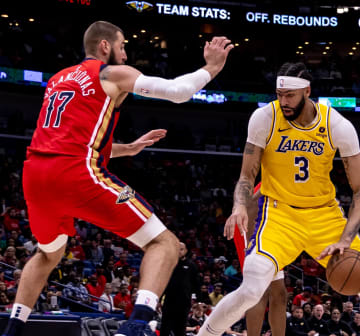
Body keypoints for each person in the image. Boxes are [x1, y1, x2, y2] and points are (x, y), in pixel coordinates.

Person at [1, 20, 233, 336]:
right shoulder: (109, 73)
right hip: (75, 176)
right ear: (106, 46)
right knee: (165, 243)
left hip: (36, 175)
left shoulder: (58, 79)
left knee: (48, 253)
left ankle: (12, 329)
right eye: (123, 46)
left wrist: (130, 148)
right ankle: (137, 324)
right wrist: (211, 68)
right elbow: (178, 92)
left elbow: (70, 143)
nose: (125, 55)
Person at [198, 62, 360, 336]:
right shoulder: (264, 118)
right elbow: (247, 176)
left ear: (307, 91)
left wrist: (345, 239)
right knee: (251, 290)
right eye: (279, 94)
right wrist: (239, 205)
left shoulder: (336, 125)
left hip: (325, 217)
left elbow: (358, 191)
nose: (283, 101)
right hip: (278, 216)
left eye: (290, 95)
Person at [234, 183, 287, 336]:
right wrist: (251, 242)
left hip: (272, 232)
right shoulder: (270, 181)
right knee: (258, 290)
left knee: (280, 293)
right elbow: (249, 205)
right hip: (251, 227)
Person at [160, 242, 199, 336]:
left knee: (180, 329)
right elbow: (162, 283)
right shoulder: (168, 264)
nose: (179, 251)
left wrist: (198, 300)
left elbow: (196, 284)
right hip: (169, 302)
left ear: (186, 251)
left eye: (181, 249)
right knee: (165, 328)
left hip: (184, 303)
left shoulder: (191, 266)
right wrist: (159, 298)